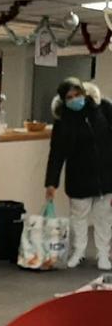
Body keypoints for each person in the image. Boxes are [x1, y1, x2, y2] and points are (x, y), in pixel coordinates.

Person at [45, 77, 112, 269]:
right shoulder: (62, 121)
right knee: (79, 218)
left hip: (105, 176)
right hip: (78, 177)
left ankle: (103, 254)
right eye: (70, 97)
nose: (75, 99)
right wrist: (51, 183)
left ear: (85, 93)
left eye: (78, 94)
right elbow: (56, 154)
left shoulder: (103, 109)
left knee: (104, 217)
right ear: (64, 100)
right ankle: (79, 251)